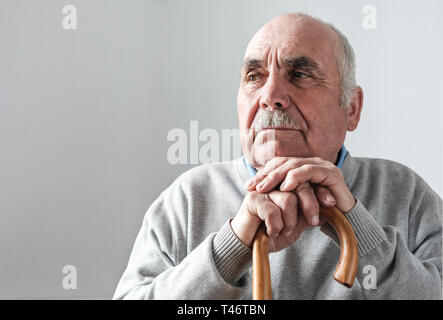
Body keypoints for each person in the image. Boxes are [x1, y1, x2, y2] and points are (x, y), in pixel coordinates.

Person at [113, 13, 442, 299]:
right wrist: (231, 248)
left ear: (351, 109)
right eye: (254, 77)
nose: (270, 96)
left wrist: (361, 232)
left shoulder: (406, 195)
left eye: (299, 75)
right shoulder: (187, 200)